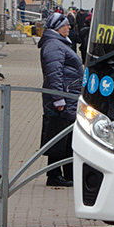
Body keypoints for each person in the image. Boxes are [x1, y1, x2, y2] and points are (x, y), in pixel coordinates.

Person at [39, 11, 83, 187]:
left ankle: (64, 174)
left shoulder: (57, 44)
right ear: (57, 27)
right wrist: (59, 99)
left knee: (64, 137)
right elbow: (54, 74)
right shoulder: (54, 46)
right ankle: (56, 175)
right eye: (66, 24)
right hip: (62, 97)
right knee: (60, 137)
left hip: (67, 95)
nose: (69, 27)